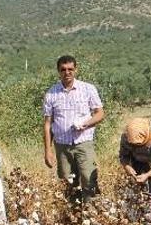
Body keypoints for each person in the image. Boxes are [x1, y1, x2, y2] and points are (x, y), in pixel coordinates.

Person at [43, 55, 105, 204]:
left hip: (83, 143)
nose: (67, 72)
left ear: (75, 70)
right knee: (67, 182)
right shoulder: (51, 94)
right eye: (63, 70)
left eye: (70, 69)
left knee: (88, 178)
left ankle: (92, 216)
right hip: (62, 146)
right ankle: (74, 216)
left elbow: (100, 113)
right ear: (58, 71)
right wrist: (48, 151)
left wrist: (87, 124)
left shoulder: (88, 89)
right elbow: (47, 124)